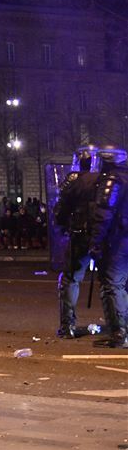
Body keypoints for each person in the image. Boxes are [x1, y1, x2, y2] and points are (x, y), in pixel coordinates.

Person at [54, 146, 100, 339]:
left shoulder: (74, 181)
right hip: (105, 235)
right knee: (115, 282)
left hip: (80, 234)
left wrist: (62, 224)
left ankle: (68, 326)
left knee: (70, 279)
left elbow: (61, 208)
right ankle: (120, 328)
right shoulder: (108, 179)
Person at [88, 146, 128, 348]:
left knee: (114, 285)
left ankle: (120, 333)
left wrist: (95, 241)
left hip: (118, 240)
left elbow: (104, 213)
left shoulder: (113, 180)